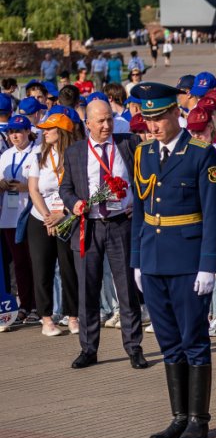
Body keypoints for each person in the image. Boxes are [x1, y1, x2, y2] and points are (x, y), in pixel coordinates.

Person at [129, 82, 216, 438]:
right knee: (169, 341)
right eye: (147, 118)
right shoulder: (144, 155)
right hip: (153, 260)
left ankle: (199, 418)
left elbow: (213, 216)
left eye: (158, 118)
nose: (152, 126)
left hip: (188, 260)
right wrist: (137, 261)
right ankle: (178, 416)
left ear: (175, 113)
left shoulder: (201, 154)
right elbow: (140, 211)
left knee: (194, 340)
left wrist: (208, 266)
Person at [59, 99, 148, 370]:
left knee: (127, 290)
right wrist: (73, 202)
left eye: (109, 119)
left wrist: (138, 204)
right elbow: (66, 187)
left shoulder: (128, 143)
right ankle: (88, 348)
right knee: (88, 289)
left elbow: (145, 178)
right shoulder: (75, 152)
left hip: (121, 224)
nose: (107, 125)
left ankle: (134, 347)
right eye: (100, 121)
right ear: (87, 124)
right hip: (90, 227)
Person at [26, 112, 79, 337]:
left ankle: (73, 316)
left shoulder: (76, 154)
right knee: (42, 269)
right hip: (40, 219)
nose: (44, 132)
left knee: (69, 269)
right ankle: (46, 319)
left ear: (62, 131)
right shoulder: (37, 155)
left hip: (67, 218)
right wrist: (48, 216)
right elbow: (33, 189)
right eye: (43, 129)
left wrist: (63, 214)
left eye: (49, 128)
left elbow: (80, 189)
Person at [0, 115, 38, 325]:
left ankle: (38, 306)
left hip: (31, 212)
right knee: (20, 263)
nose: (15, 135)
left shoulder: (37, 152)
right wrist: (4, 184)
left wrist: (26, 187)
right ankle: (24, 305)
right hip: (10, 215)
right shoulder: (6, 155)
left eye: (19, 131)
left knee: (35, 261)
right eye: (11, 132)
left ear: (27, 132)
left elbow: (43, 184)